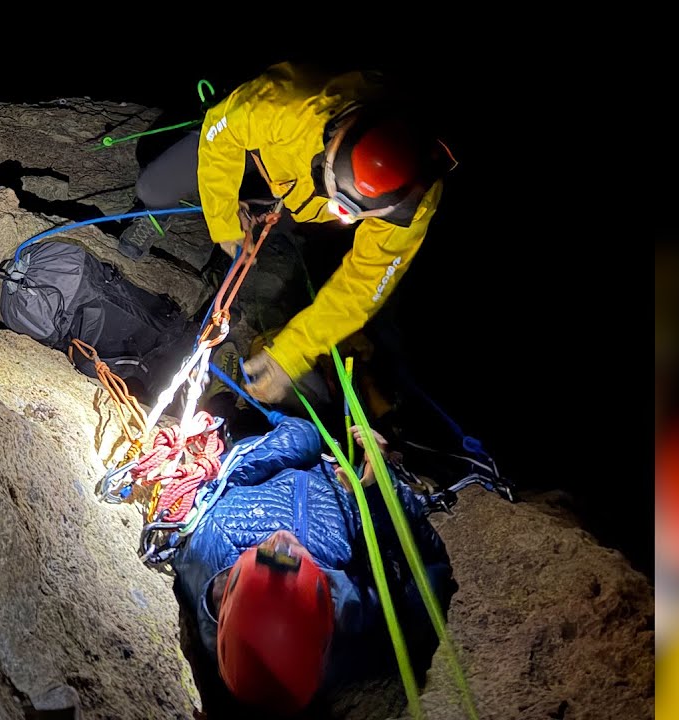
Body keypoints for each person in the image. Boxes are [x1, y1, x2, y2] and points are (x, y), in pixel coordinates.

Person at [117, 62, 454, 404]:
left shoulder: (413, 201)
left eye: (356, 213)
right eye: (339, 201)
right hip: (251, 148)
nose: (343, 216)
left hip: (296, 195)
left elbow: (365, 284)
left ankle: (263, 210)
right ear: (332, 142)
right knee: (153, 188)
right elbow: (222, 134)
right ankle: (160, 211)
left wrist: (292, 354)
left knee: (276, 228)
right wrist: (223, 222)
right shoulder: (288, 105)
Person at [171, 412, 457, 716]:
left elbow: (226, 480)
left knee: (301, 433)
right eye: (292, 559)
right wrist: (380, 493)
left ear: (228, 590)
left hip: (285, 464)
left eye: (262, 555)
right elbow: (433, 573)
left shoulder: (211, 547)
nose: (280, 537)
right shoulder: (357, 621)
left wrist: (297, 441)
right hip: (351, 486)